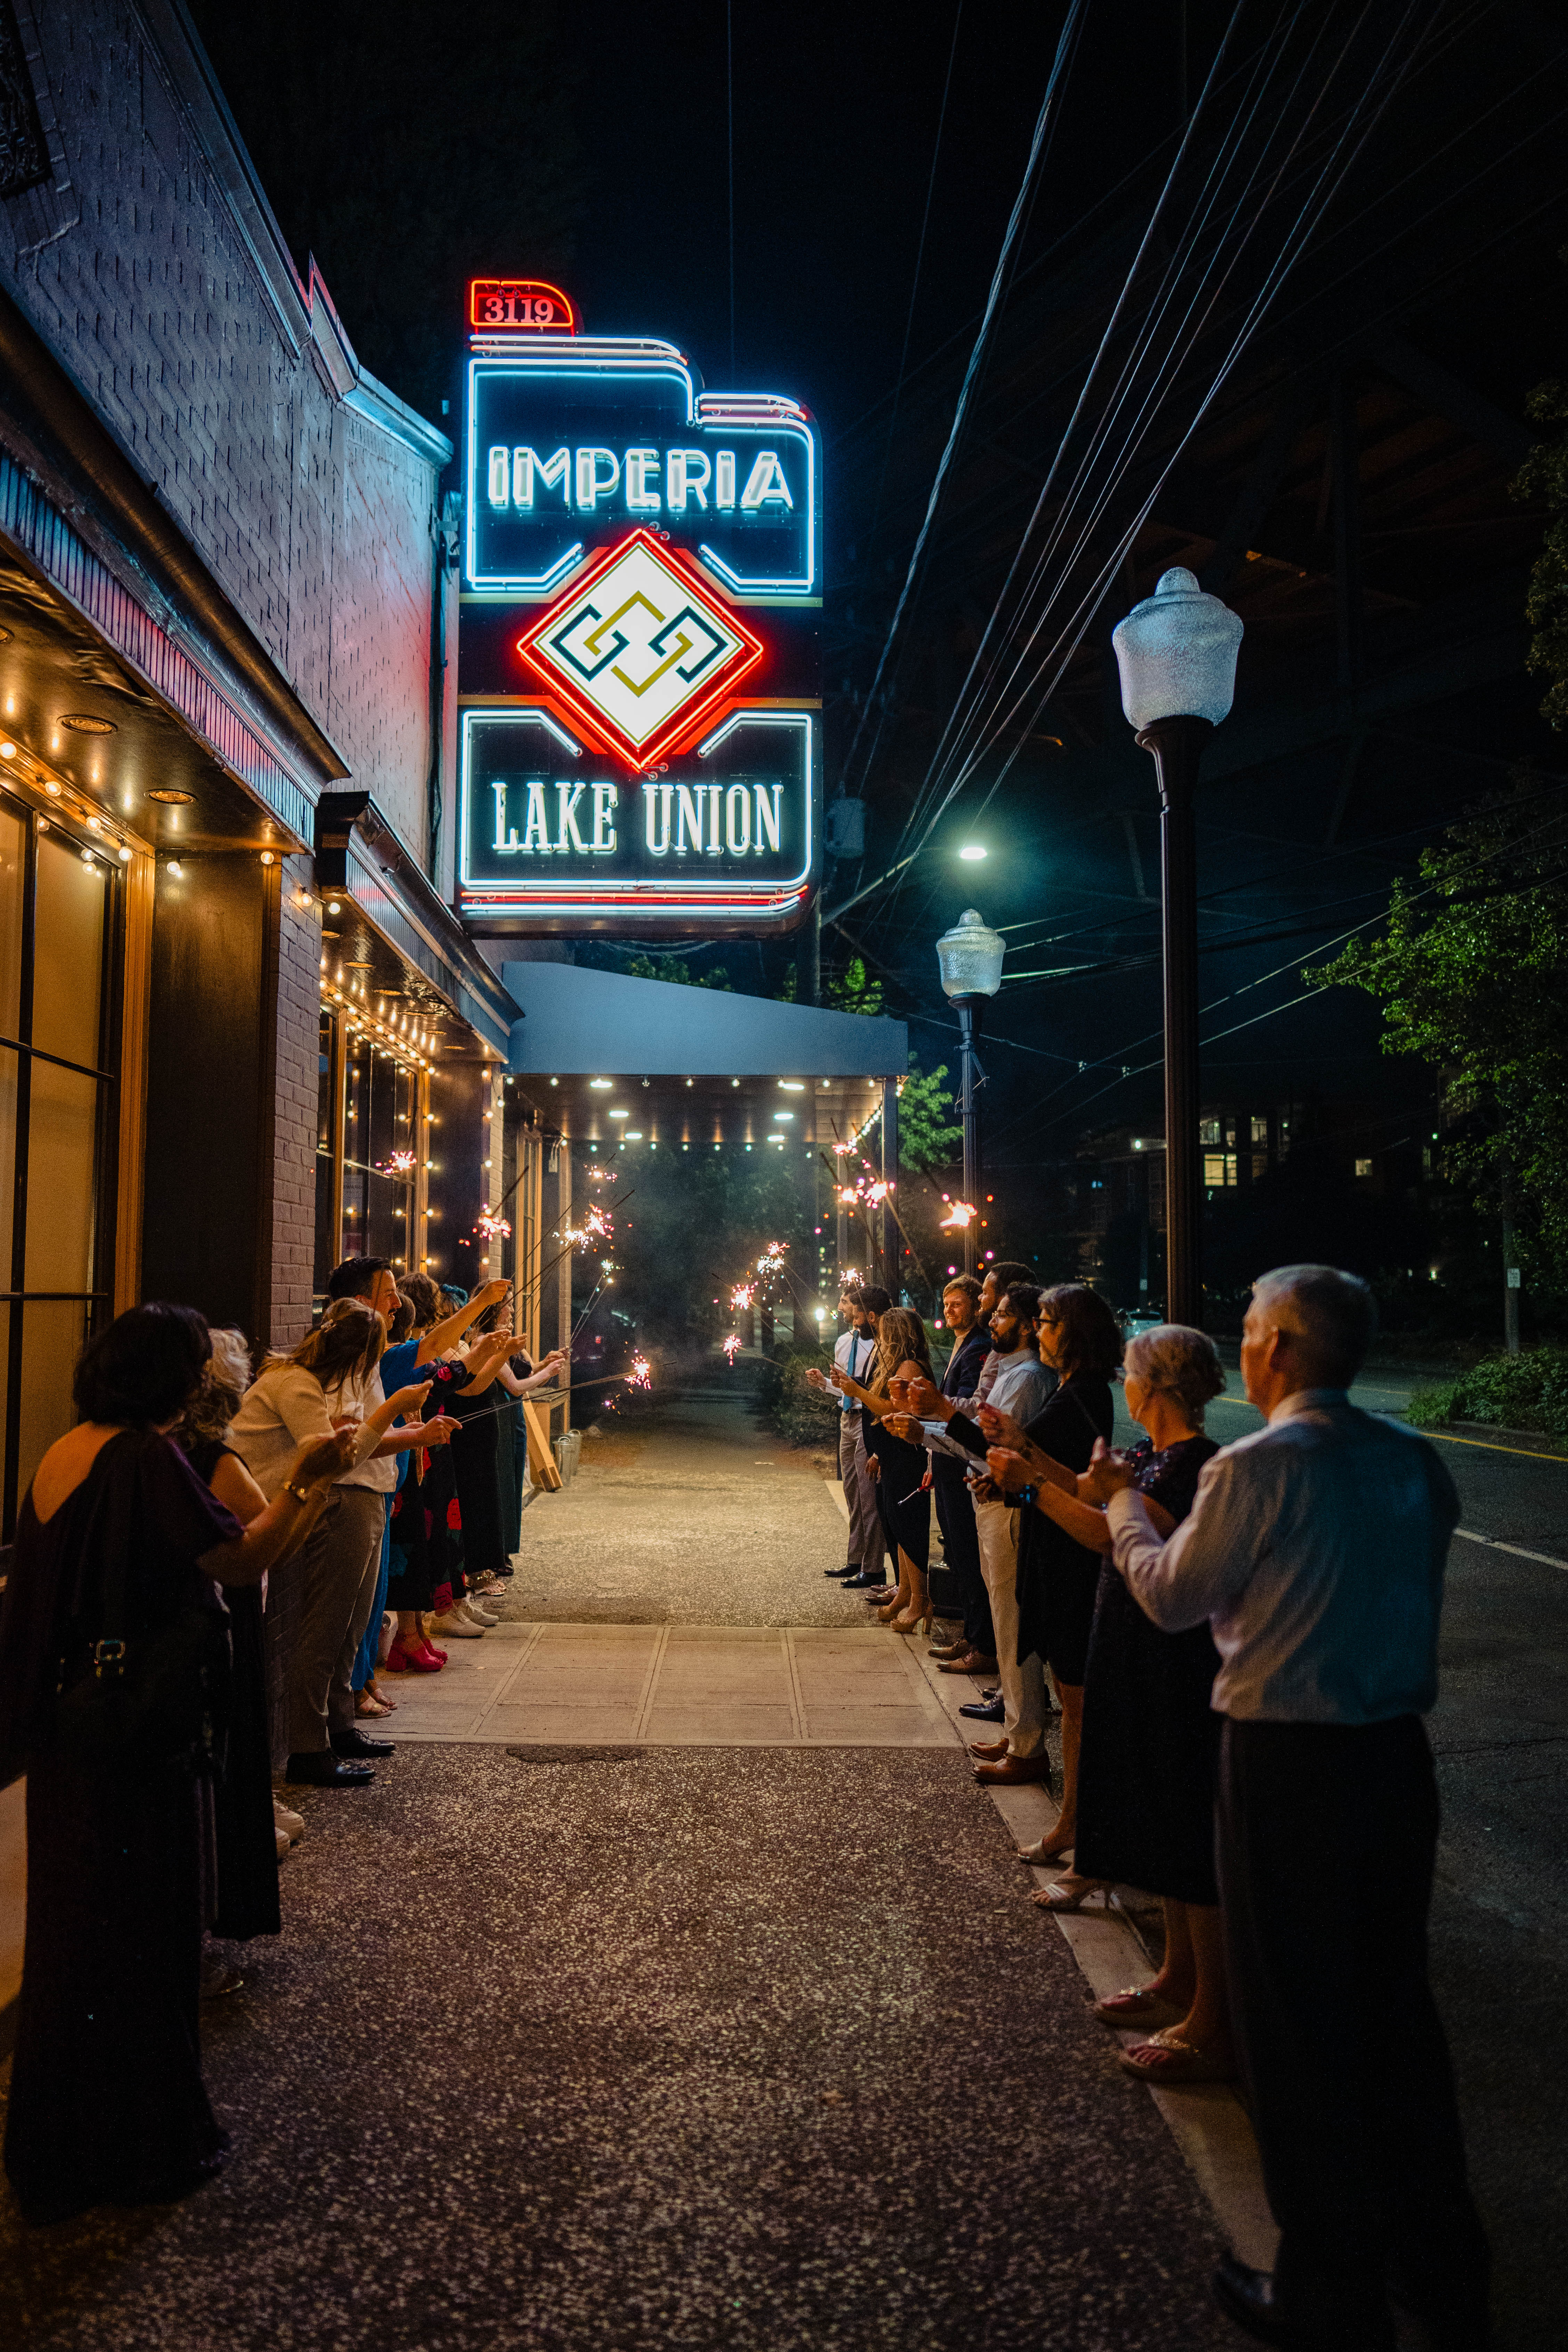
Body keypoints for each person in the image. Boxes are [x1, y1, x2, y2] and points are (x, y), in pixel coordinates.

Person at [1091, 1264, 1488, 2352]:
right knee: (1393, 2013)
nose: (1247, 1347)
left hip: (1284, 1759)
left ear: (1276, 1348)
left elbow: (1173, 1594)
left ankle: (1327, 2286)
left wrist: (1127, 1507)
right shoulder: (1412, 1459)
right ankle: (1440, 2265)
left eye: (1254, 1332)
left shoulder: (1261, 1464)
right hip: (1393, 1759)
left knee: (1297, 2024)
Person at [0, 1303, 351, 2224]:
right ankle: (141, 2144)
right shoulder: (148, 1458)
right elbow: (242, 1559)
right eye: (196, 1368)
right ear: (165, 1377)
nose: (205, 1382)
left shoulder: (59, 1449)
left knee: (73, 1937)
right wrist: (310, 1482)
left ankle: (57, 2141)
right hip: (138, 1735)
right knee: (148, 1933)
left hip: (70, 1731)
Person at [988, 1322, 1233, 2083]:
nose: (1123, 1382)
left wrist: (1029, 1486)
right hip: (1141, 1649)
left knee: (1189, 1842)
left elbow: (1110, 1531)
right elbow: (1101, 1499)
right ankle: (1174, 1976)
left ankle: (1209, 2013)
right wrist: (1032, 1460)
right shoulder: (1154, 1456)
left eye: (1131, 1371)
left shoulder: (1191, 1462)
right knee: (1165, 1828)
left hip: (1175, 1659)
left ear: (1151, 1386)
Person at [229, 1302, 444, 1786]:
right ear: (358, 1353)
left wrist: (410, 1433)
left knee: (350, 1621)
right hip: (311, 1505)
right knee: (326, 1626)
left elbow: (350, 1444)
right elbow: (332, 1458)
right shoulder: (300, 1384)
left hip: (344, 1497)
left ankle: (338, 1726)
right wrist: (394, 1412)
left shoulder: (314, 1379)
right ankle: (308, 1749)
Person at [901, 1283, 1057, 1781]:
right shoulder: (1007, 1370)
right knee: (1001, 1611)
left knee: (1012, 1624)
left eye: (1004, 1314)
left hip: (1009, 1505)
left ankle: (1028, 1742)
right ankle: (1016, 1732)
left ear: (1030, 1325)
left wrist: (939, 1418)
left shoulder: (1029, 1376)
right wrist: (925, 1433)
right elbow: (973, 1441)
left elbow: (991, 1442)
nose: (992, 1320)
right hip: (986, 1497)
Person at [924, 1276, 996, 1678]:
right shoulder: (962, 1343)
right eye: (946, 1303)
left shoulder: (978, 1346)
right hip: (946, 1458)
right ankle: (972, 1635)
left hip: (962, 1458)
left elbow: (971, 1407)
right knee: (957, 1551)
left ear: (974, 1306)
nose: (950, 1310)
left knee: (968, 1553)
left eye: (958, 1303)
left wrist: (935, 1406)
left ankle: (982, 1641)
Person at [827, 1286, 884, 1586]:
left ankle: (874, 1566)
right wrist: (825, 1383)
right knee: (851, 1491)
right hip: (846, 1418)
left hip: (867, 1419)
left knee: (868, 1495)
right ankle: (855, 1558)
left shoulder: (880, 1346)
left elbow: (871, 1389)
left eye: (846, 1303)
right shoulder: (843, 1342)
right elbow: (843, 1387)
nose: (842, 1307)